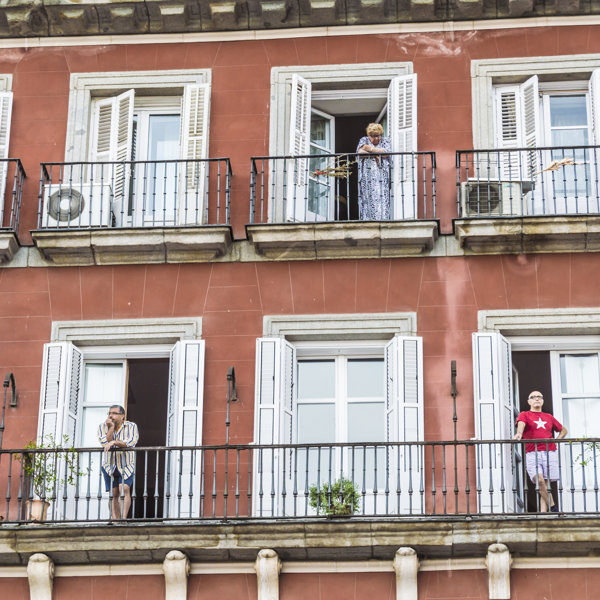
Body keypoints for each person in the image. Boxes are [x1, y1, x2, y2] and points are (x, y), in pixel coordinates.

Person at [513, 390, 567, 512]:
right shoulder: (525, 414)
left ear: (542, 400)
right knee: (540, 480)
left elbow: (563, 430)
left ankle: (543, 513)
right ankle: (554, 508)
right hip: (533, 452)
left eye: (539, 397)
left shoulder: (549, 417)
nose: (536, 399)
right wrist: (519, 433)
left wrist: (556, 440)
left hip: (549, 452)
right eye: (533, 397)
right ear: (529, 401)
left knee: (546, 484)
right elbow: (521, 424)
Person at [97, 405, 139, 519]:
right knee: (113, 493)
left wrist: (115, 442)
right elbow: (105, 442)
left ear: (122, 416)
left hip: (126, 464)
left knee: (124, 488)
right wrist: (111, 428)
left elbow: (131, 442)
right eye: (109, 413)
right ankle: (115, 520)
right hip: (109, 465)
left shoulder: (131, 426)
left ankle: (123, 519)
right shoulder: (102, 427)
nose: (111, 415)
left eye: (114, 413)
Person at [356, 122, 392, 221]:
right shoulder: (364, 140)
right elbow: (360, 152)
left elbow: (386, 153)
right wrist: (375, 155)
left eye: (378, 136)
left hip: (382, 175)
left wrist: (370, 149)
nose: (376, 138)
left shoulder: (385, 141)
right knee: (368, 197)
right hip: (367, 176)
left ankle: (383, 219)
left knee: (382, 197)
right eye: (373, 136)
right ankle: (368, 219)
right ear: (369, 135)